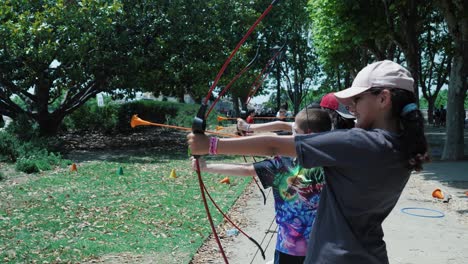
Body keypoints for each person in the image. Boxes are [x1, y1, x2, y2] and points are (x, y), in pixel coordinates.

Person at [188, 60, 429, 264]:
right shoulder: (405, 147)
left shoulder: (359, 143)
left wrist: (211, 145)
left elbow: (275, 145)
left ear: (383, 98)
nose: (352, 107)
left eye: (357, 99)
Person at [192, 108, 332, 264]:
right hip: (325, 245)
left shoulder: (284, 164)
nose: (290, 135)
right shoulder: (335, 162)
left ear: (306, 134)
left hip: (290, 247)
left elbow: (247, 170)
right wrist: (249, 129)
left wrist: (205, 166)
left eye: (294, 131)